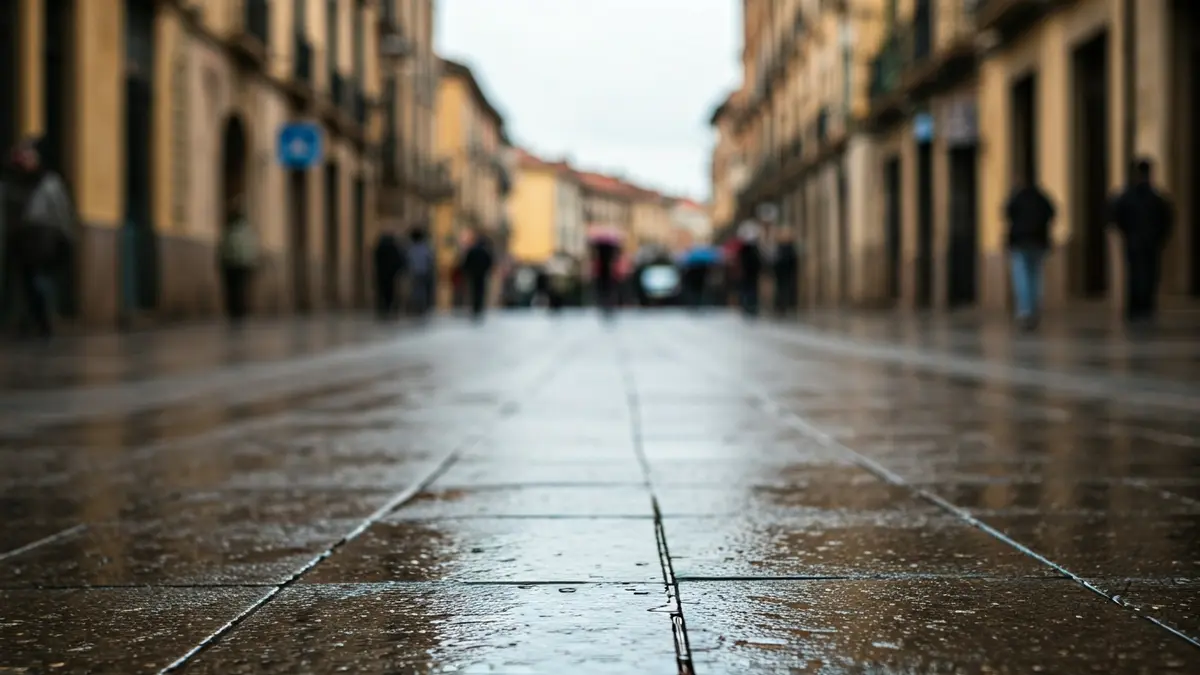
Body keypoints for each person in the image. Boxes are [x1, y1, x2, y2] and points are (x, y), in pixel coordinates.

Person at [3, 139, 74, 338]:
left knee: (38, 281)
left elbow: (62, 212)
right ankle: (29, 321)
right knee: (25, 282)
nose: (24, 160)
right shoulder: (10, 182)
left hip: (44, 238)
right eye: (21, 156)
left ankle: (43, 323)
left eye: (28, 156)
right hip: (20, 239)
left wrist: (66, 237)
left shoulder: (49, 182)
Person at [1108, 158, 1173, 324]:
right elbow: (1167, 219)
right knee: (1150, 274)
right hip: (1151, 241)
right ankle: (1146, 306)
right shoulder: (1156, 197)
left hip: (1134, 240)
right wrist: (1161, 236)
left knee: (1135, 274)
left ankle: (1135, 307)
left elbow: (1116, 216)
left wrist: (1126, 232)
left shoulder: (1127, 196)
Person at [1004, 176, 1055, 330]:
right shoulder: (1042, 198)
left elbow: (1007, 213)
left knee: (1022, 277)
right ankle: (1034, 308)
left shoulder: (1017, 198)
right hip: (1038, 242)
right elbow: (1052, 213)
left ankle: (1025, 310)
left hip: (1020, 243)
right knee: (1036, 276)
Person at [217, 195, 259, 324]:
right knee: (234, 289)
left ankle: (239, 311)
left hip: (240, 264)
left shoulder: (241, 229)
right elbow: (223, 246)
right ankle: (235, 311)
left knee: (239, 289)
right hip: (233, 263)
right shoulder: (231, 229)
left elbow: (250, 246)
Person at [460, 230, 494, 320]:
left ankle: (475, 307)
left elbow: (467, 262)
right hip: (481, 274)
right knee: (480, 291)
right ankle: (479, 307)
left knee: (474, 291)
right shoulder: (485, 251)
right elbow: (489, 262)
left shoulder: (473, 250)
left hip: (473, 274)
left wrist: (467, 271)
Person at [372, 227, 404, 319]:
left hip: (382, 273)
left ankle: (383, 306)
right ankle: (388, 306)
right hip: (391, 274)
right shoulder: (393, 248)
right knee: (390, 290)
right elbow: (398, 260)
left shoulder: (380, 248)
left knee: (382, 290)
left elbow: (376, 259)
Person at [736, 220, 763, 318]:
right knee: (750, 289)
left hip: (749, 273)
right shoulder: (752, 248)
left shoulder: (745, 249)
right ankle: (750, 307)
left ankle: (749, 307)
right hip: (750, 273)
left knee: (749, 289)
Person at [406, 226, 434, 317]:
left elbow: (408, 260)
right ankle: (420, 306)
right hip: (423, 271)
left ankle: (418, 306)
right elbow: (430, 259)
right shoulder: (425, 247)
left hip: (415, 271)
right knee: (421, 290)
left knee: (416, 289)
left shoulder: (411, 248)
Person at [773, 229, 799, 317]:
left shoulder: (782, 249)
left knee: (783, 290)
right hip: (785, 274)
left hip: (784, 275)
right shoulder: (786, 249)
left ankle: (783, 306)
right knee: (784, 290)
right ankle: (783, 306)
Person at [592, 240, 619, 317]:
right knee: (607, 290)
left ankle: (605, 304)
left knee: (604, 290)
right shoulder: (609, 257)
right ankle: (607, 304)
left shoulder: (601, 256)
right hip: (605, 276)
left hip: (604, 276)